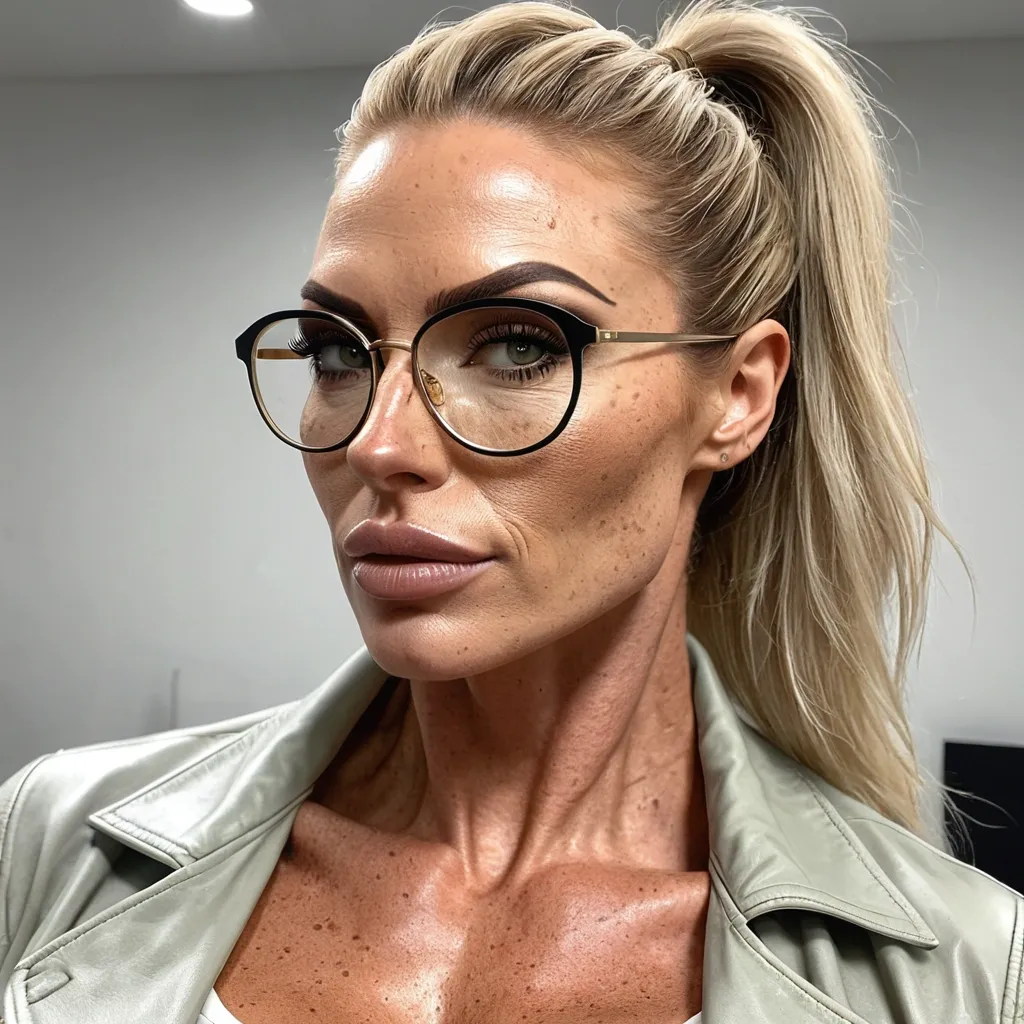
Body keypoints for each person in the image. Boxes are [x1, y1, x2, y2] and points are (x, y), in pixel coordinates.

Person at [1, 1, 1020, 1021]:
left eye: (519, 346)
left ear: (738, 395)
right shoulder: (46, 845)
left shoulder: (969, 974)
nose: (380, 444)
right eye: (336, 351)